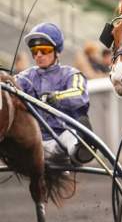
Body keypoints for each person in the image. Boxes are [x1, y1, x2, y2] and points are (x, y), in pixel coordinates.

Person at [16, 22, 93, 165]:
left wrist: (56, 97)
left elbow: (79, 95)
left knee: (71, 135)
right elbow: (11, 90)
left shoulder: (71, 74)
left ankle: (82, 149)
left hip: (61, 139)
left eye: (44, 50)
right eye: (34, 51)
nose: (38, 55)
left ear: (56, 51)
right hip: (34, 140)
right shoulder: (25, 77)